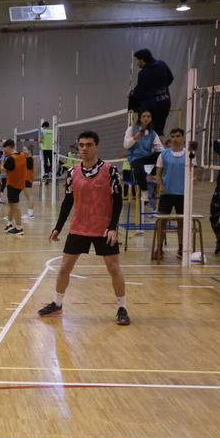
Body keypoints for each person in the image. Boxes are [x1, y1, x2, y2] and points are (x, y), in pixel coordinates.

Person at [38, 130, 130, 325]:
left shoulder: (110, 170)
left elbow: (118, 201)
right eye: (81, 145)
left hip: (104, 228)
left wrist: (113, 227)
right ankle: (57, 303)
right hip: (79, 227)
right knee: (64, 268)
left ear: (96, 146)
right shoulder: (73, 172)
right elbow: (68, 201)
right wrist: (58, 227)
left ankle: (122, 307)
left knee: (113, 267)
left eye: (88, 145)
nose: (84, 149)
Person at [153, 127, 188, 258]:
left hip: (183, 194)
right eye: (173, 136)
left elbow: (195, 171)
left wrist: (193, 178)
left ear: (183, 138)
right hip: (166, 194)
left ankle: (181, 248)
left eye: (178, 136)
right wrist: (161, 185)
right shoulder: (164, 154)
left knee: (182, 222)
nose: (175, 139)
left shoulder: (189, 155)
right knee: (162, 221)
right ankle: (159, 248)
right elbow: (158, 174)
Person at [123, 109, 164, 207]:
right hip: (135, 157)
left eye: (148, 116)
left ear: (151, 119)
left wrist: (163, 152)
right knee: (139, 170)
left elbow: (160, 148)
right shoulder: (132, 129)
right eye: (144, 116)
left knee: (163, 155)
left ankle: (154, 176)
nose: (146, 118)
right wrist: (135, 138)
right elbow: (126, 146)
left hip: (147, 157)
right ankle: (145, 193)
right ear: (140, 118)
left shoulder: (152, 133)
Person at [129, 49, 173, 136]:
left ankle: (146, 149)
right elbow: (171, 78)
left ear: (142, 60)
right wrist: (161, 88)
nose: (137, 63)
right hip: (165, 102)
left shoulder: (143, 73)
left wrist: (131, 94)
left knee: (145, 131)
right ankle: (160, 149)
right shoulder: (162, 64)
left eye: (138, 60)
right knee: (160, 131)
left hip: (152, 106)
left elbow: (140, 93)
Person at [1, 139, 27, 236]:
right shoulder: (22, 155)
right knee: (11, 205)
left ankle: (19, 228)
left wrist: (1, 162)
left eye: (5, 149)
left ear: (9, 147)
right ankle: (10, 224)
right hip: (20, 183)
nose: (4, 151)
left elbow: (2, 170)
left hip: (12, 184)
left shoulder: (11, 159)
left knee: (15, 206)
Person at [22, 145, 37, 219]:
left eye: (25, 150)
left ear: (29, 151)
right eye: (23, 150)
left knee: (29, 196)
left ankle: (30, 214)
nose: (23, 151)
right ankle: (29, 213)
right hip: (25, 179)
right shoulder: (27, 158)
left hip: (27, 179)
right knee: (28, 196)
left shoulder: (29, 159)